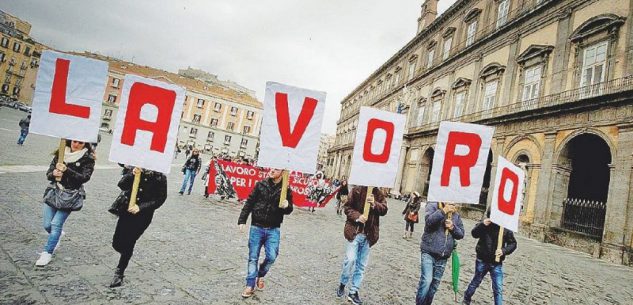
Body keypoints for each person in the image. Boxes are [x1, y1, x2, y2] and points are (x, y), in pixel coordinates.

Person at [35, 140, 95, 266]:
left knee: (56, 224)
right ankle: (57, 235)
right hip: (54, 191)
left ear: (85, 144)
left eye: (80, 143)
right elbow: (49, 173)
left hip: (70, 195)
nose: (76, 144)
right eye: (74, 141)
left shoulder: (87, 158)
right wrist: (53, 174)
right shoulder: (61, 153)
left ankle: (47, 252)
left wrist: (66, 170)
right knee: (47, 225)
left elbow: (84, 178)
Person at [237, 168, 293, 298]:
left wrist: (287, 206)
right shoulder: (260, 184)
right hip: (257, 226)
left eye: (276, 169)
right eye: (271, 167)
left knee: (272, 256)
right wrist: (242, 220)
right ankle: (250, 285)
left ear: (282, 172)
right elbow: (249, 203)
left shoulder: (286, 189)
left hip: (274, 228)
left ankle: (260, 274)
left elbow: (289, 209)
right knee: (253, 257)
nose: (272, 170)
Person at [109, 166, 167, 288]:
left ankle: (120, 271)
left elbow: (160, 199)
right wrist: (132, 174)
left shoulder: (160, 177)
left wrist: (141, 207)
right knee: (117, 243)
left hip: (143, 216)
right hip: (126, 211)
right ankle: (125, 252)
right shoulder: (135, 169)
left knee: (130, 241)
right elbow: (121, 185)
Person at [336, 186, 388, 305]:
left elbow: (384, 209)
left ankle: (353, 292)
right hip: (355, 233)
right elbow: (347, 208)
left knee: (361, 265)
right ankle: (343, 283)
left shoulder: (378, 193)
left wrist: (374, 204)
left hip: (369, 235)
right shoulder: (356, 190)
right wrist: (358, 217)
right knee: (350, 260)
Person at [462, 212, 517, 305]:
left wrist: (504, 250)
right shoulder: (485, 224)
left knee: (498, 288)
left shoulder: (505, 227)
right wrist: (482, 224)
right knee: (476, 281)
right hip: (482, 259)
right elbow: (474, 233)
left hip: (496, 263)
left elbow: (513, 243)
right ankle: (466, 298)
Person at [416, 202, 464, 305]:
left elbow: (461, 234)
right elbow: (429, 222)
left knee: (434, 286)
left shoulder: (456, 214)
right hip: (429, 251)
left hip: (443, 256)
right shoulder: (433, 205)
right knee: (426, 281)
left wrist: (452, 227)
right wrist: (443, 211)